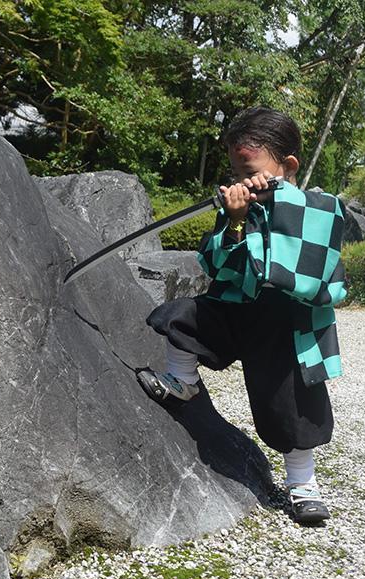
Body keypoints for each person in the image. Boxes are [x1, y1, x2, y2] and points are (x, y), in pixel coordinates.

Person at [136, 106, 347, 523]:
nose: (240, 181)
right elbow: (217, 267)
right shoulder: (237, 207)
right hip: (236, 311)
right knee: (183, 316)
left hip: (287, 323)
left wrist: (275, 195)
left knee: (291, 404)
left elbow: (314, 273)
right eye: (234, 172)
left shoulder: (320, 207)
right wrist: (234, 222)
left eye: (248, 170)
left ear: (286, 166)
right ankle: (183, 382)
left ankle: (303, 484)